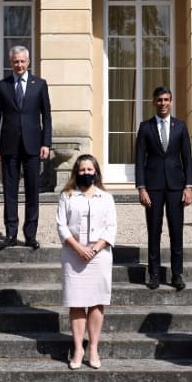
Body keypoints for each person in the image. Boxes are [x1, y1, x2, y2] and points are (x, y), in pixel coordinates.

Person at [56, 154, 117, 370]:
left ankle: (93, 347)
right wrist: (79, 248)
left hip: (99, 256)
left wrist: (95, 247)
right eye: (82, 170)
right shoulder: (67, 196)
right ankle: (78, 348)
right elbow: (62, 226)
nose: (86, 173)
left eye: (90, 170)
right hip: (74, 255)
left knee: (97, 302)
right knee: (76, 301)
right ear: (76, 172)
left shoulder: (106, 197)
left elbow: (111, 228)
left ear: (96, 172)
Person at [0, 45, 52, 250]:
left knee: (33, 191)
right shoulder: (1, 86)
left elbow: (47, 116)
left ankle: (30, 234)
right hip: (8, 146)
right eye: (15, 61)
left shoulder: (40, 85)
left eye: (22, 61)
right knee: (10, 191)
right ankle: (10, 233)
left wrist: (46, 143)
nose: (19, 64)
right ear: (11, 63)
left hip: (33, 145)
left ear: (28, 62)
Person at [135, 86, 192, 291]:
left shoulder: (180, 126)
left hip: (176, 187)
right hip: (153, 187)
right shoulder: (145, 127)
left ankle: (177, 273)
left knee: (176, 231)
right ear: (154, 102)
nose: (163, 103)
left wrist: (188, 186)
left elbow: (187, 158)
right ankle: (154, 274)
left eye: (167, 99)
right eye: (159, 100)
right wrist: (141, 188)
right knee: (154, 231)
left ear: (171, 102)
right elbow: (139, 159)